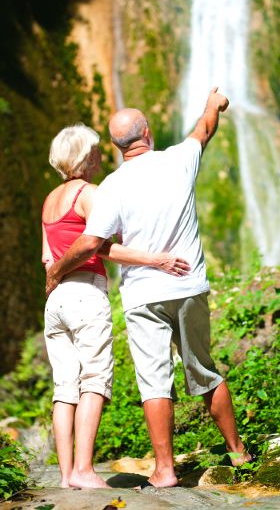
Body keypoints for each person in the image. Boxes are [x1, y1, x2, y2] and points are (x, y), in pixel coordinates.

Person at [46, 88, 251, 488]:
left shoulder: (110, 187)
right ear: (149, 133)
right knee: (204, 369)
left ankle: (165, 470)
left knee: (155, 381)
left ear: (117, 147)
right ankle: (238, 452)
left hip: (142, 296)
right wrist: (214, 103)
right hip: (189, 284)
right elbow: (205, 128)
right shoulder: (180, 158)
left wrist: (56, 271)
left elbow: (92, 243)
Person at [42, 124, 189, 489]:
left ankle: (66, 476)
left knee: (65, 387)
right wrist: (154, 259)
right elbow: (97, 246)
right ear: (85, 157)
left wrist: (57, 275)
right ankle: (84, 470)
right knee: (94, 380)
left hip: (56, 298)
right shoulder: (89, 194)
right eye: (94, 151)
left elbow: (48, 257)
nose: (99, 156)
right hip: (85, 294)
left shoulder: (49, 200)